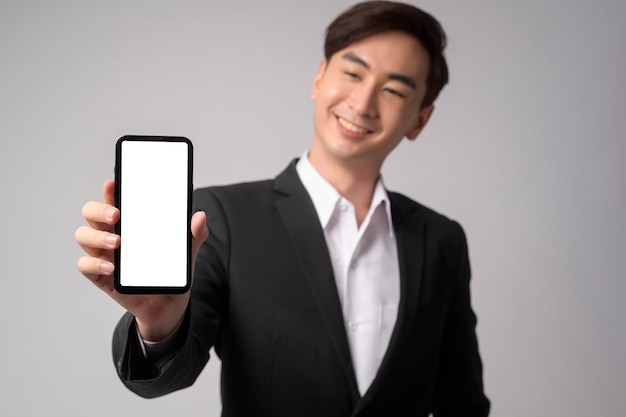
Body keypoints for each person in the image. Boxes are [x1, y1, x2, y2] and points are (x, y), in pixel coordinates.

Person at [75, 1, 490, 416]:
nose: (363, 104)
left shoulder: (441, 241)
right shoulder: (220, 217)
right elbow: (169, 375)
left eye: (394, 90)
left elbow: (463, 403)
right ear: (319, 78)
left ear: (420, 119)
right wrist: (158, 326)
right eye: (352, 72)